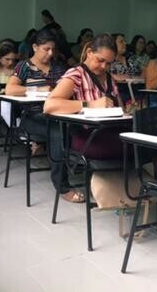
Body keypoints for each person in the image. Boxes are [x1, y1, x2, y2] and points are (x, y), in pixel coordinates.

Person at [43, 34, 126, 203]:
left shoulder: (110, 79)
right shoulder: (77, 74)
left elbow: (120, 108)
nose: (104, 66)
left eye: (109, 63)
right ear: (89, 52)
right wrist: (89, 104)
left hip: (110, 131)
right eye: (100, 60)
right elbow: (50, 105)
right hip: (88, 135)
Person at [7, 29, 68, 157]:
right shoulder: (24, 66)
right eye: (46, 49)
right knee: (57, 130)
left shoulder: (59, 67)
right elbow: (10, 89)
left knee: (72, 128)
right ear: (35, 47)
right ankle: (60, 174)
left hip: (58, 113)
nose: (51, 53)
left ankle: (71, 162)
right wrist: (36, 89)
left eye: (53, 49)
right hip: (33, 116)